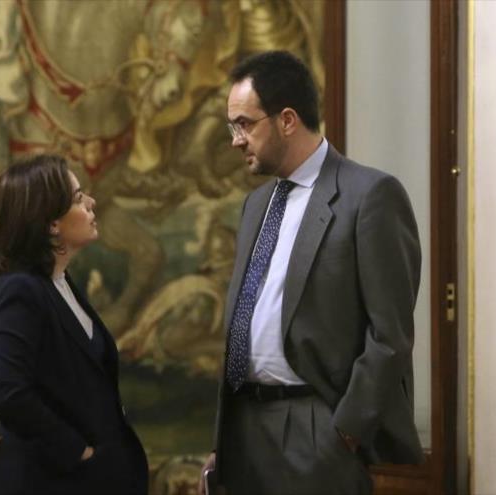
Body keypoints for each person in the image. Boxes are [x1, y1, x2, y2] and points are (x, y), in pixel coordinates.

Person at [200, 51, 423, 495]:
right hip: (243, 427)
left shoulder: (370, 196)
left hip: (315, 428)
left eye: (244, 124)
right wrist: (223, 443)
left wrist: (344, 432)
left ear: (287, 120)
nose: (235, 140)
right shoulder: (255, 205)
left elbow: (390, 335)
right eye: (232, 126)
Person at [0, 154, 148, 494]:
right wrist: (77, 452)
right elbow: (7, 392)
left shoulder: (59, 282)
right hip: (45, 482)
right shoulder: (19, 289)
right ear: (51, 223)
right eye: (78, 197)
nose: (92, 203)